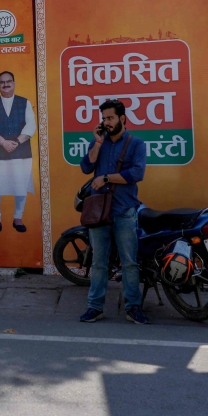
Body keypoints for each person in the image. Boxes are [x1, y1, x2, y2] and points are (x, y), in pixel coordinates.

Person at [79, 99, 149, 326]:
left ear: (123, 119)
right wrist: (97, 143)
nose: (106, 123)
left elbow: (137, 173)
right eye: (104, 119)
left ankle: (133, 308)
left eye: (110, 118)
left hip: (125, 210)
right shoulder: (99, 142)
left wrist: (107, 178)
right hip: (99, 212)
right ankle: (95, 307)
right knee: (99, 262)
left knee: (129, 262)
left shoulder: (136, 144)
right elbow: (86, 167)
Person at [0, 71, 36, 235]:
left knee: (20, 186)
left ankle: (18, 218)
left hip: (21, 152)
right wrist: (3, 142)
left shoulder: (25, 103)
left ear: (14, 83)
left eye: (8, 81)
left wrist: (17, 142)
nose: (5, 84)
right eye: (2, 82)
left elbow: (30, 126)